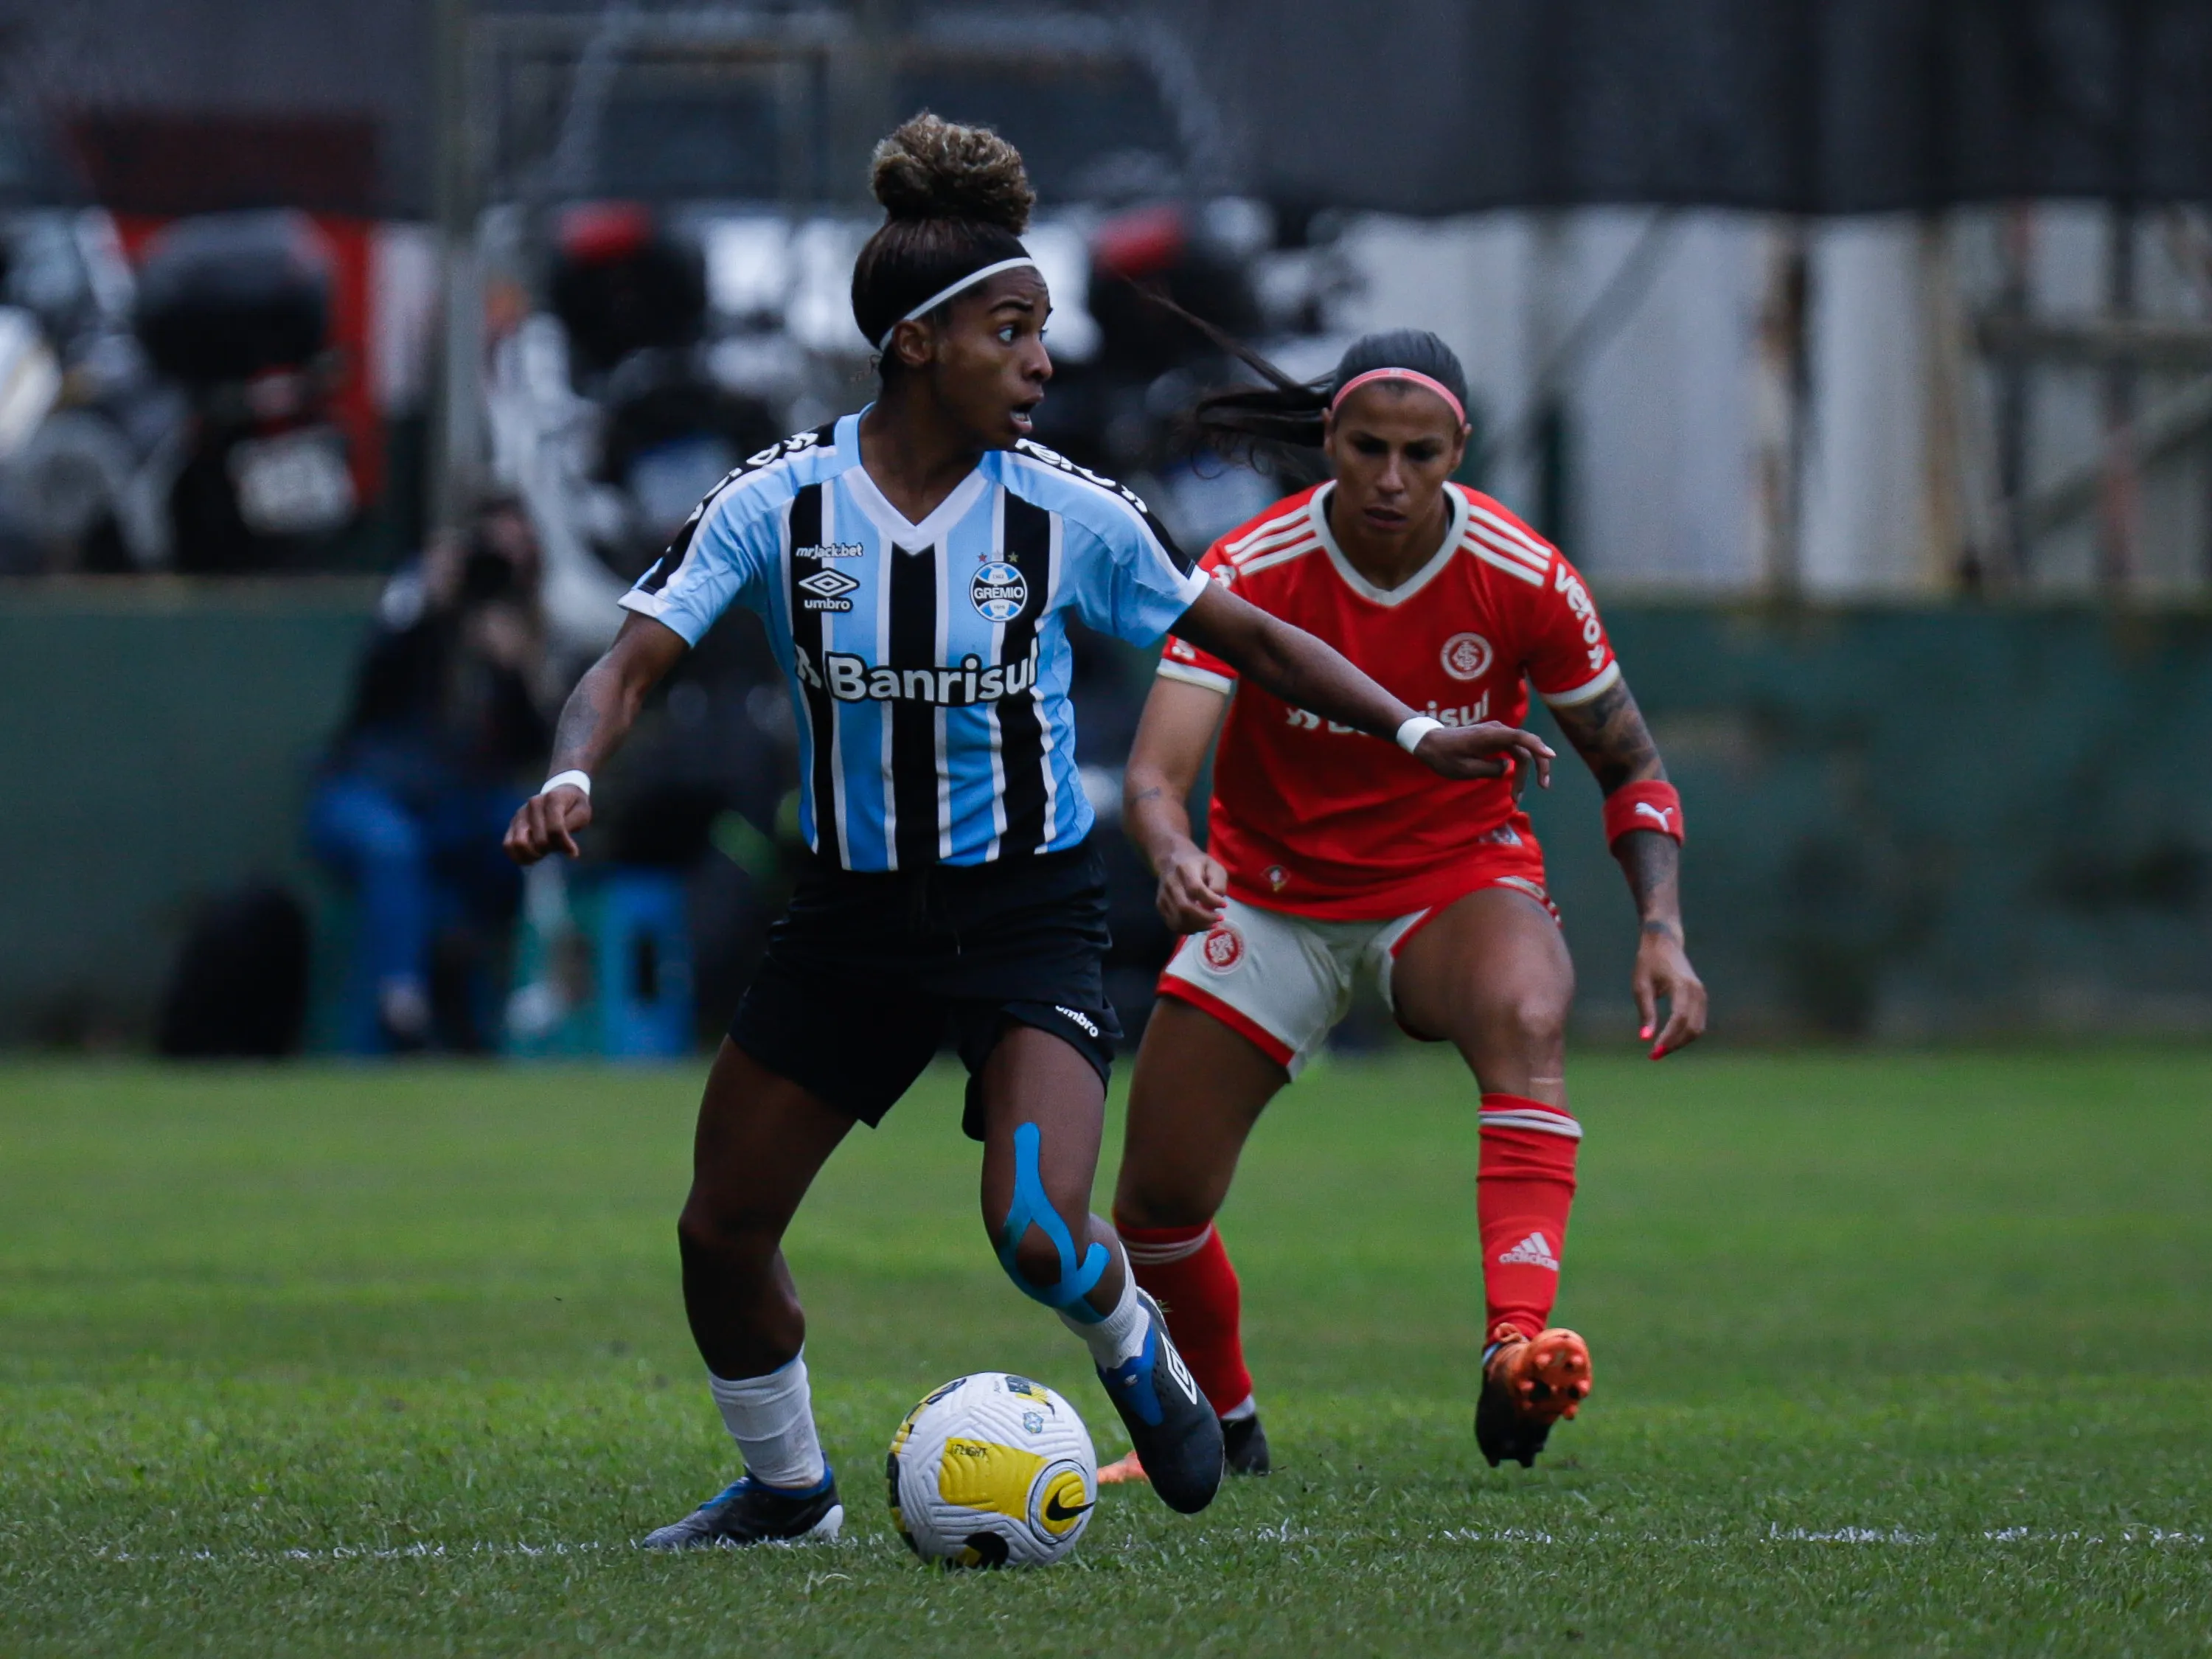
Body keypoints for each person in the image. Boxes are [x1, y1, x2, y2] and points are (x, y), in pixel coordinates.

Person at [502, 115, 1557, 1547]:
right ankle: (789, 1491)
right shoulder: (780, 503)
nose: (1044, 362)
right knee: (718, 1230)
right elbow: (626, 664)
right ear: (919, 345)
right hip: (849, 925)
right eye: (1014, 332)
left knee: (1039, 1230)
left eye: (1046, 331)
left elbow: (1256, 640)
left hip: (1024, 918)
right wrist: (574, 772)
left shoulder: (1075, 515)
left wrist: (1421, 729)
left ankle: (1130, 1340)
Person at [1100, 329, 1707, 1483]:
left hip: (1452, 883)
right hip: (1272, 901)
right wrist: (1175, 851)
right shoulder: (1250, 564)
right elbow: (1153, 776)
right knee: (1155, 1205)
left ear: (1458, 452)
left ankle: (1514, 1347)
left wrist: (1664, 932)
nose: (1390, 477)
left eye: (1419, 453)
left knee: (1529, 1009)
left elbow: (1633, 768)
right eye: (1367, 447)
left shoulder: (1525, 576)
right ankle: (1225, 1425)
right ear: (1327, 438)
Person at [310, 496, 552, 1051]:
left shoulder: (523, 626)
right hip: (367, 792)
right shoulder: (415, 607)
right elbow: (370, 690)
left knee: (523, 839)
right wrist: (428, 602)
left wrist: (514, 672)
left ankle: (519, 1003)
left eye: (515, 550)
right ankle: (401, 1000)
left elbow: (531, 750)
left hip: (455, 810)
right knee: (391, 847)